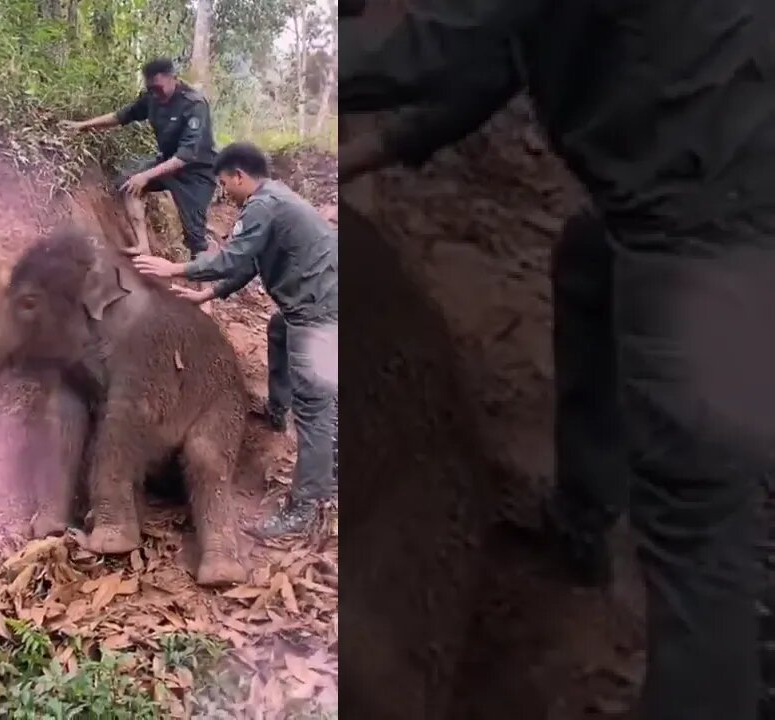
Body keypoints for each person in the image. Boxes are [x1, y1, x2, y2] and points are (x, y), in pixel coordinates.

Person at [341, 4, 775, 719]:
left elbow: (431, 49)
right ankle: (586, 515)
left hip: (717, 233)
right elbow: (504, 47)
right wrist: (379, 145)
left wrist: (286, 83)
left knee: (699, 547)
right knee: (587, 263)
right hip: (712, 175)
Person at [130, 142, 339, 538]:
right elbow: (251, 264)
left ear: (239, 175)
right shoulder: (276, 200)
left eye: (224, 182)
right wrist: (206, 294)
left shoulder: (263, 205)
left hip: (318, 311)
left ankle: (307, 506)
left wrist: (173, 267)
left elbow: (231, 258)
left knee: (314, 407)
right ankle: (281, 409)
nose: (224, 190)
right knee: (279, 330)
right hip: (317, 300)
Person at [62, 58, 217, 260]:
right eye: (151, 88)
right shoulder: (151, 97)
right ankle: (143, 246)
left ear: (173, 79)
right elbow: (121, 116)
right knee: (130, 184)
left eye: (159, 88)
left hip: (197, 172)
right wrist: (82, 125)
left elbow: (185, 156)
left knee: (195, 235)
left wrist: (146, 175)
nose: (155, 93)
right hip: (167, 162)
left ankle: (205, 288)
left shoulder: (194, 104)